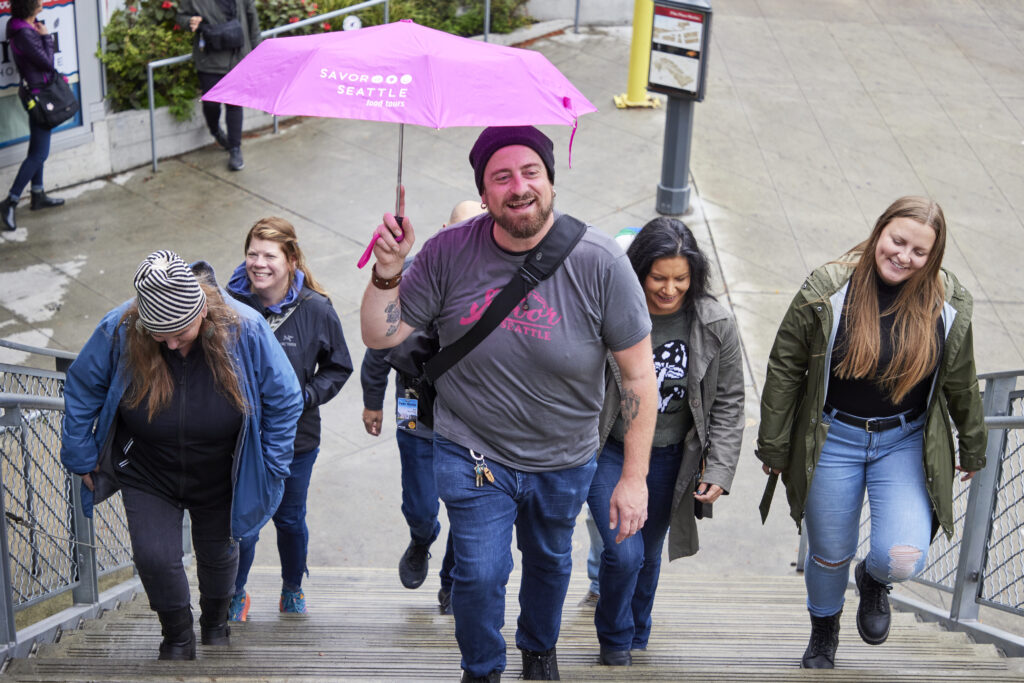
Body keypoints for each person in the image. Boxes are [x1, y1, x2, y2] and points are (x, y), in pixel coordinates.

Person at [360, 125, 659, 682]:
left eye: (530, 173)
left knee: (548, 562)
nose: (519, 187)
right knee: (478, 573)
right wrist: (387, 271)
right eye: (502, 177)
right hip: (473, 448)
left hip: (565, 459)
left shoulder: (599, 262)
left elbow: (640, 378)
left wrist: (634, 477)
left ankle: (539, 650)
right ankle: (482, 669)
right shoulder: (449, 253)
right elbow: (383, 335)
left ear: (550, 180)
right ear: (484, 191)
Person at [756, 196, 988, 669]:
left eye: (919, 251)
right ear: (880, 231)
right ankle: (824, 631)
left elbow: (961, 378)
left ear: (934, 256)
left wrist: (973, 444)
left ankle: (873, 581)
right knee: (829, 551)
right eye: (897, 241)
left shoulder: (948, 302)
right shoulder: (828, 288)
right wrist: (775, 444)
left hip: (904, 440)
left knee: (901, 556)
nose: (904, 256)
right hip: (833, 437)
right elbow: (786, 367)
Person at [60, 250, 303, 660]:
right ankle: (176, 635)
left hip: (222, 471)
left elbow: (285, 398)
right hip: (147, 469)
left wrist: (274, 464)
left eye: (179, 332)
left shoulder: (245, 328)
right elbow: (82, 387)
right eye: (159, 335)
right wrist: (81, 454)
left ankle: (214, 623)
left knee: (221, 551)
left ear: (202, 311)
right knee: (154, 557)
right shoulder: (120, 328)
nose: (170, 344)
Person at [589, 217, 744, 666]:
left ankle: (638, 632)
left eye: (681, 279)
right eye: (659, 277)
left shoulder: (715, 324)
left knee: (649, 552)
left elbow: (731, 402)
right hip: (609, 450)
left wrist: (719, 468)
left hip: (672, 457)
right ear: (639, 271)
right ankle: (615, 638)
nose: (669, 289)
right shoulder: (611, 311)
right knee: (623, 551)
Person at [225, 217, 352, 618]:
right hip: (238, 438)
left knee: (290, 519)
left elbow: (339, 367)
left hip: (297, 439)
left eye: (269, 255)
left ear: (291, 259)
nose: (258, 263)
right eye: (252, 253)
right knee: (242, 525)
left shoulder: (316, 310)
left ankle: (293, 587)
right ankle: (235, 593)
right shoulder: (226, 304)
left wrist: (308, 395)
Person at [360, 201, 482, 611]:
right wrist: (372, 402)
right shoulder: (412, 277)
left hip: (471, 424)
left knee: (468, 513)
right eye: (460, 230)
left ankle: (453, 581)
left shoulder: (496, 287)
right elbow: (380, 346)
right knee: (420, 505)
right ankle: (421, 538)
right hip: (416, 414)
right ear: (445, 230)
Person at [1, 0, 66, 232]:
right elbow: (47, 64)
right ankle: (10, 201)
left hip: (35, 93)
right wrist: (47, 37)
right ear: (29, 6)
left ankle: (37, 195)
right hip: (39, 97)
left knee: (36, 150)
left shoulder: (22, 26)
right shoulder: (25, 34)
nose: (41, 1)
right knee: (39, 153)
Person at [177, 0, 261, 171]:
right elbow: (181, 16)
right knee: (211, 104)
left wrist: (258, 51)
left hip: (237, 55)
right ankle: (215, 129)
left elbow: (252, 18)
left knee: (234, 104)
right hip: (209, 58)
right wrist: (189, 22)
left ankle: (235, 149)